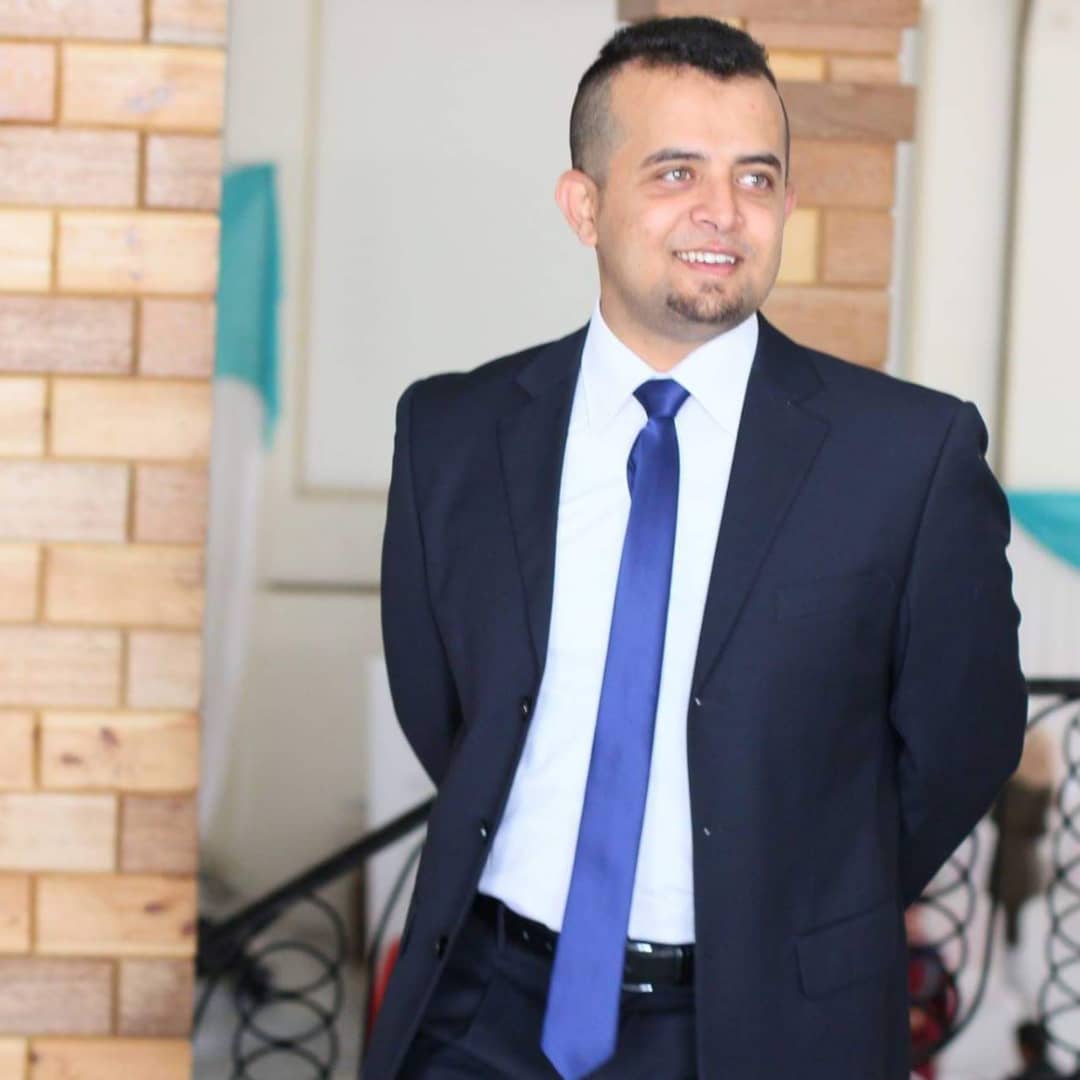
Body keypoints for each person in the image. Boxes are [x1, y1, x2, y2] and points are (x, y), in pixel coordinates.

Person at [366, 16, 1027, 1080]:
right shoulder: (452, 433)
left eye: (756, 178)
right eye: (677, 172)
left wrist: (808, 903)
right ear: (585, 205)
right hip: (482, 1013)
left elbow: (964, 741)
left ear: (787, 206)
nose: (723, 211)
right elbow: (444, 706)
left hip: (767, 1030)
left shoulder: (909, 458)